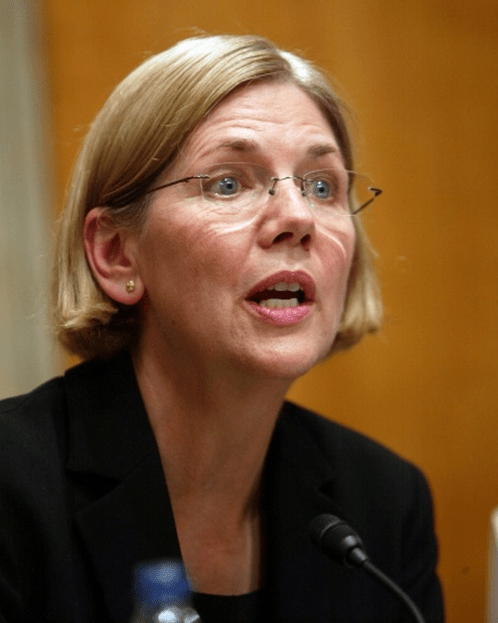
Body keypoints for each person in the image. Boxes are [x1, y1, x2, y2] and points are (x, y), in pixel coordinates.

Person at [0, 34, 443, 622]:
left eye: (321, 186)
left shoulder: (383, 503)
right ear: (116, 254)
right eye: (228, 183)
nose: (297, 218)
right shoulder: (12, 491)